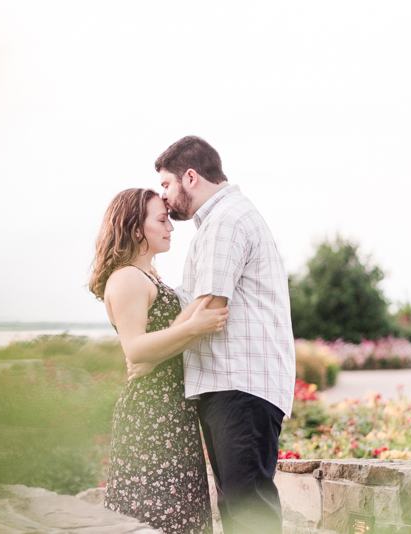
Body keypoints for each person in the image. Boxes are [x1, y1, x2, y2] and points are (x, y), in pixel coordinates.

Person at [133, 136, 295, 534]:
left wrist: (149, 355)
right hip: (233, 384)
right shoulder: (222, 220)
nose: (165, 197)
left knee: (248, 510)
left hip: (240, 384)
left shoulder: (226, 221)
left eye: (167, 185)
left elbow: (209, 304)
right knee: (240, 510)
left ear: (191, 176)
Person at [89, 188, 229, 534]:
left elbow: (163, 334)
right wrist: (195, 327)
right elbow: (135, 348)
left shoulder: (149, 276)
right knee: (159, 520)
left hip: (171, 412)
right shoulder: (126, 278)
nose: (171, 228)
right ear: (137, 229)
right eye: (162, 220)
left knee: (182, 518)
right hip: (150, 416)